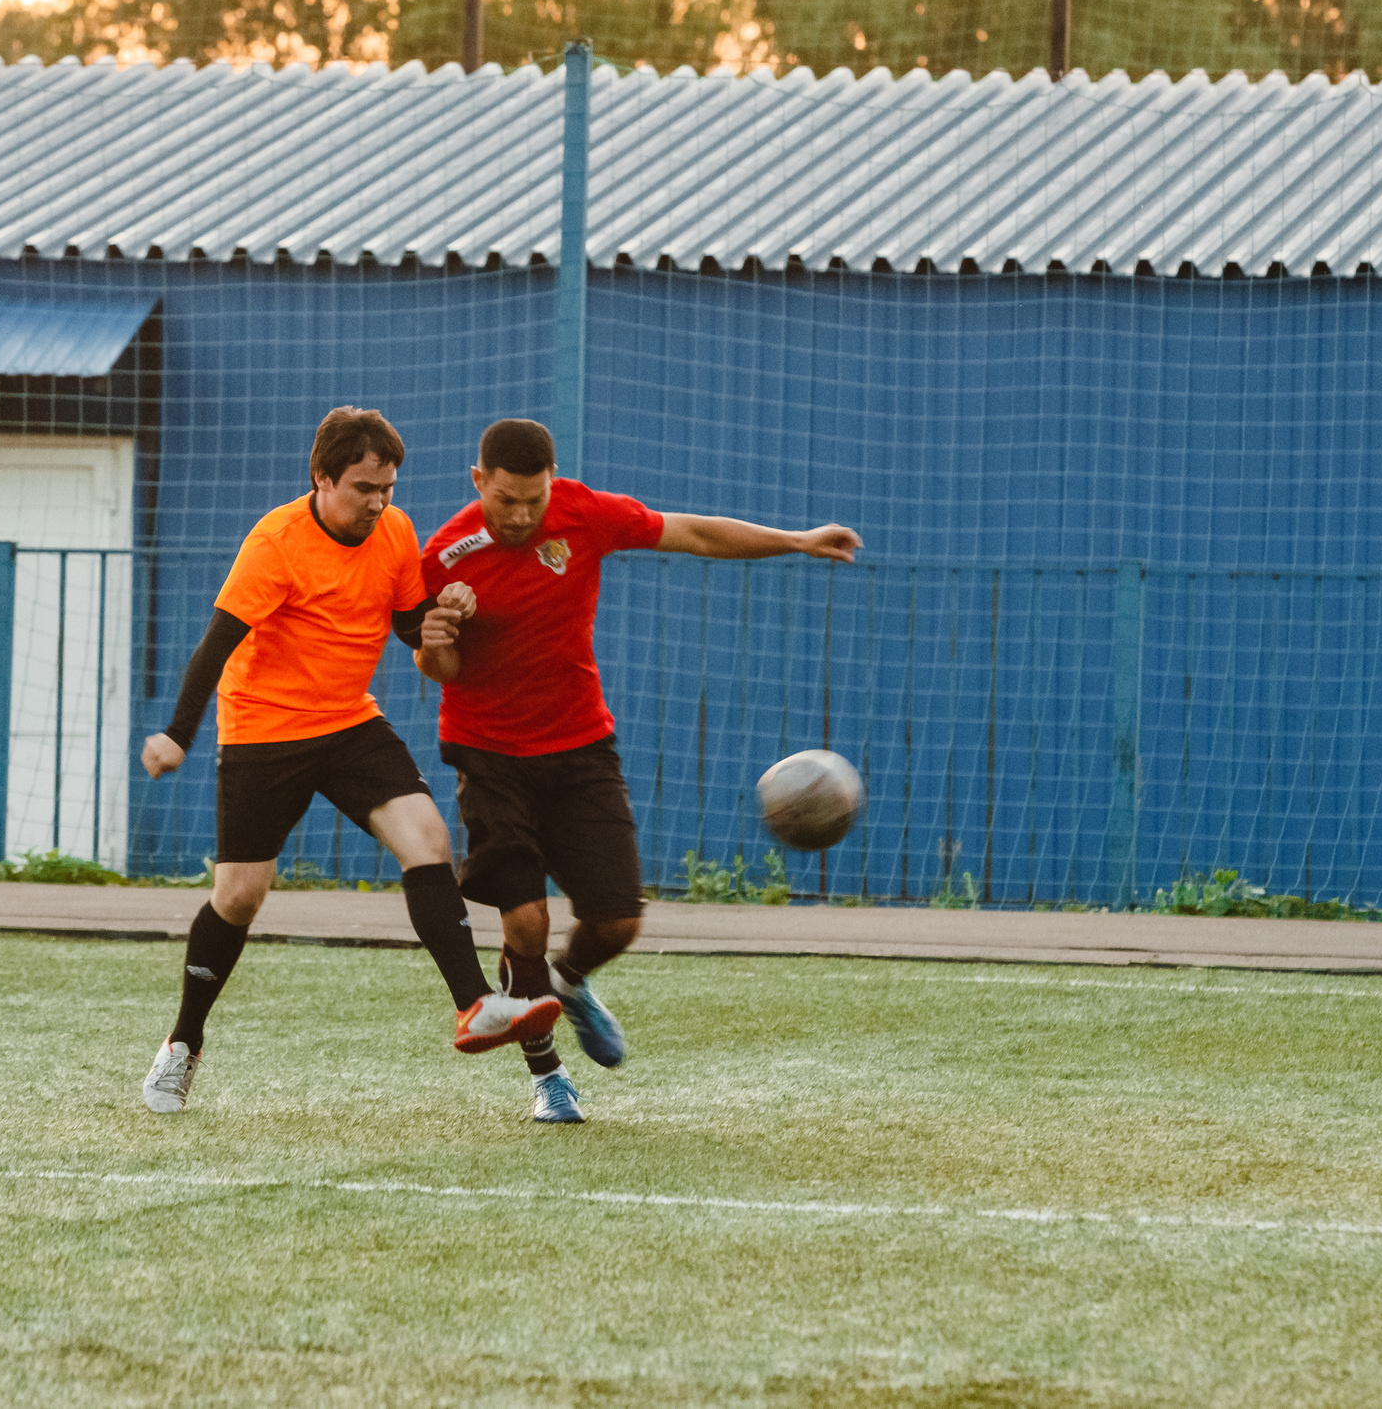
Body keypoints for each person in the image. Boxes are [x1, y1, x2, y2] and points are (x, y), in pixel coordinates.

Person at [416, 418, 861, 1123]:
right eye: (507, 500)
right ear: (479, 483)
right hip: (490, 754)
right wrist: (438, 635)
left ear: (553, 482)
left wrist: (797, 540)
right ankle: (549, 1077)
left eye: (535, 498)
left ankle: (568, 980)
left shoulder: (585, 515)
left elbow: (696, 533)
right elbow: (438, 668)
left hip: (581, 748)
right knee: (525, 921)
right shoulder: (443, 556)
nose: (523, 515)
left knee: (619, 920)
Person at [137, 406, 561, 1114]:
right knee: (240, 895)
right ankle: (183, 1043)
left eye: (388, 486)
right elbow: (215, 644)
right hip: (264, 731)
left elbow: (403, 623)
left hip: (348, 722)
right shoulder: (276, 542)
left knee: (426, 837)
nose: (380, 501)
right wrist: (178, 733)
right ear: (322, 478)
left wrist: (442, 612)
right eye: (365, 486)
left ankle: (475, 1005)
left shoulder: (394, 531)